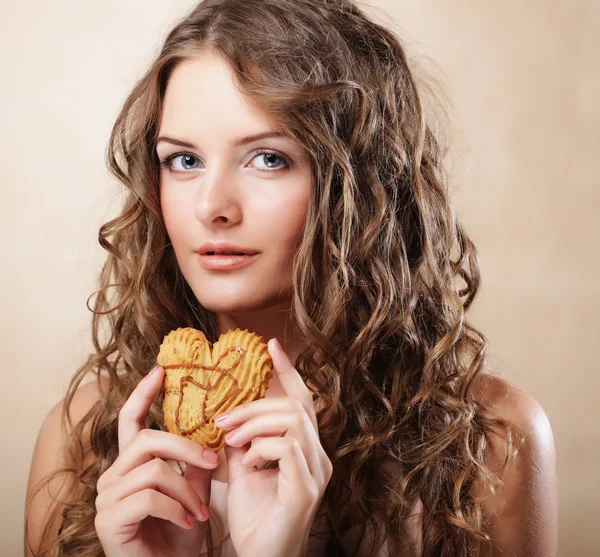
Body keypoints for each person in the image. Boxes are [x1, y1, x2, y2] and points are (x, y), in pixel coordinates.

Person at [24, 0, 558, 556]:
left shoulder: (489, 443)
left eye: (268, 159)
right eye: (183, 161)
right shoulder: (81, 440)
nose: (212, 206)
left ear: (358, 187)